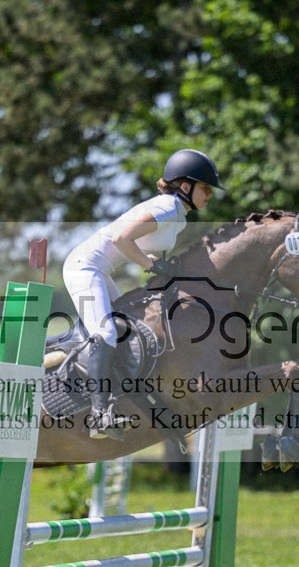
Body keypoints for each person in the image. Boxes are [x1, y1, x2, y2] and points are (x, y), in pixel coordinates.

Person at [63, 149, 224, 439]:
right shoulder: (167, 207)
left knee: (125, 330)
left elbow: (152, 256)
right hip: (84, 268)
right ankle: (99, 414)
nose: (209, 194)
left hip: (101, 272)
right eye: (205, 188)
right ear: (185, 186)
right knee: (107, 333)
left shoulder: (178, 216)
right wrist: (152, 265)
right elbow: (121, 238)